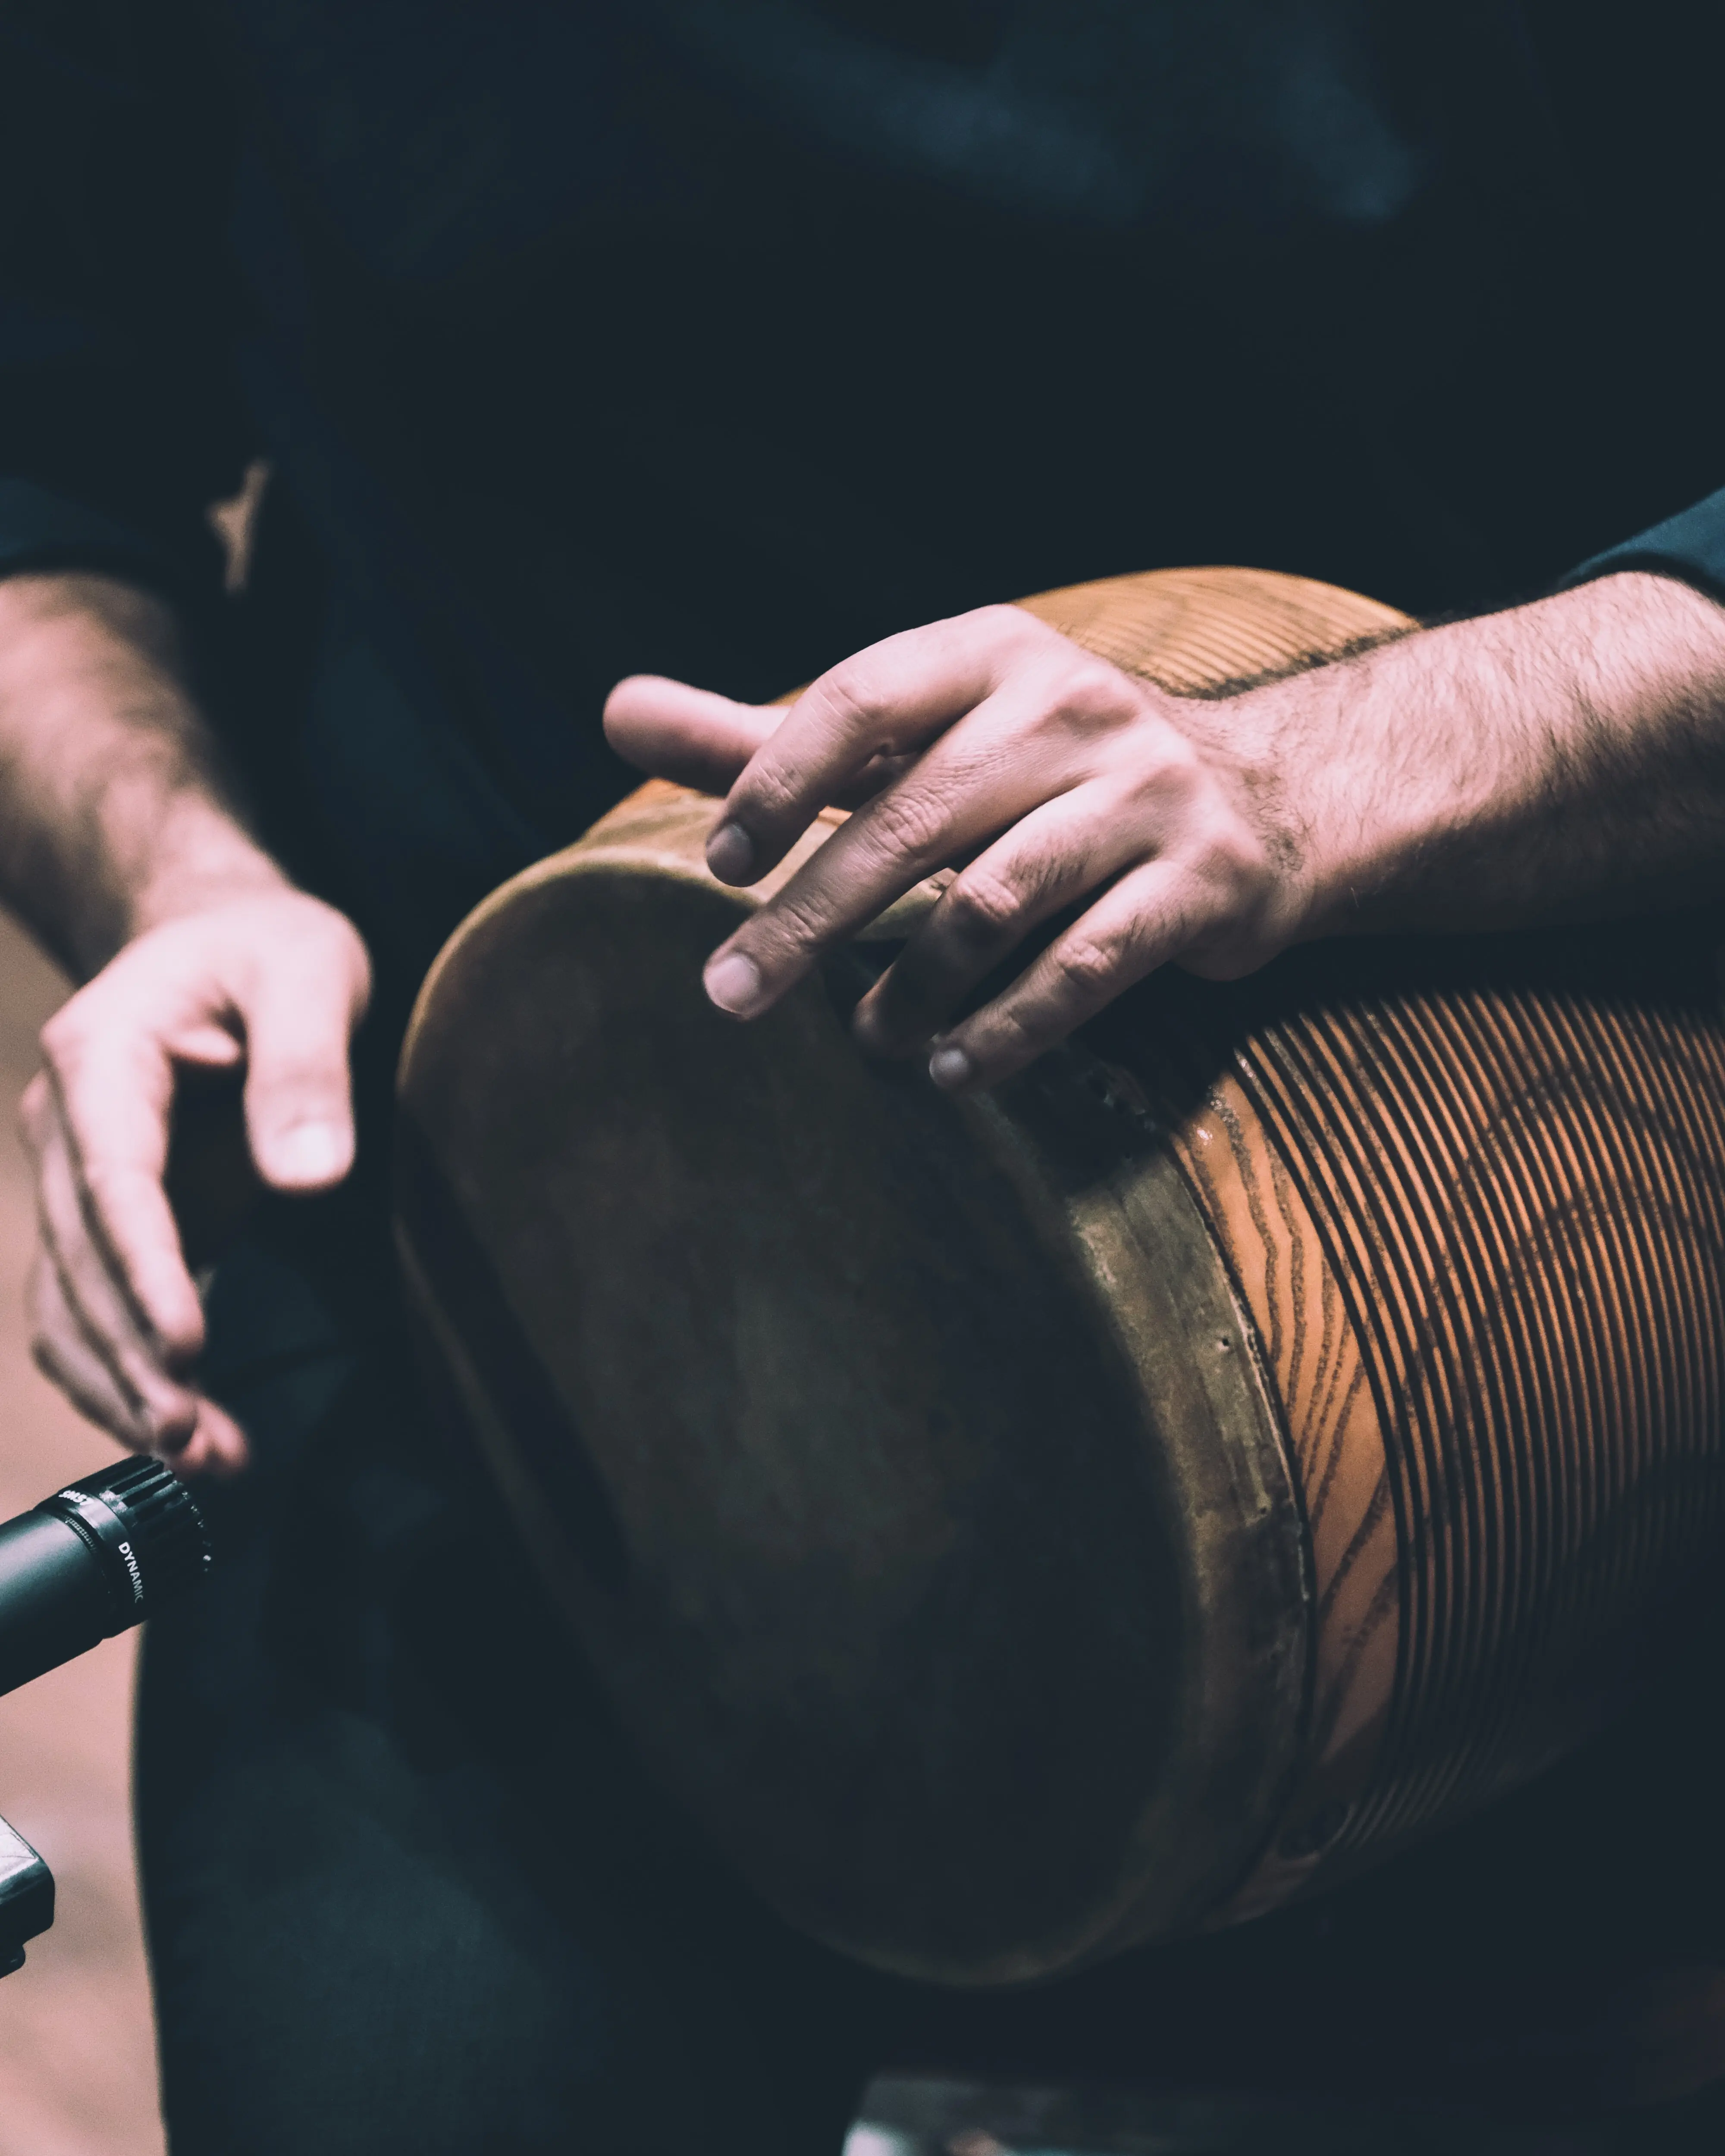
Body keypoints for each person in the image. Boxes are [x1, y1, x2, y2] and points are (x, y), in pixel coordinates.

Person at [5, 3, 1725, 2149]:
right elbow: (37, 482)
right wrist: (181, 876)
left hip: (1524, 1284)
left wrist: (1326, 757)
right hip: (516, 1312)